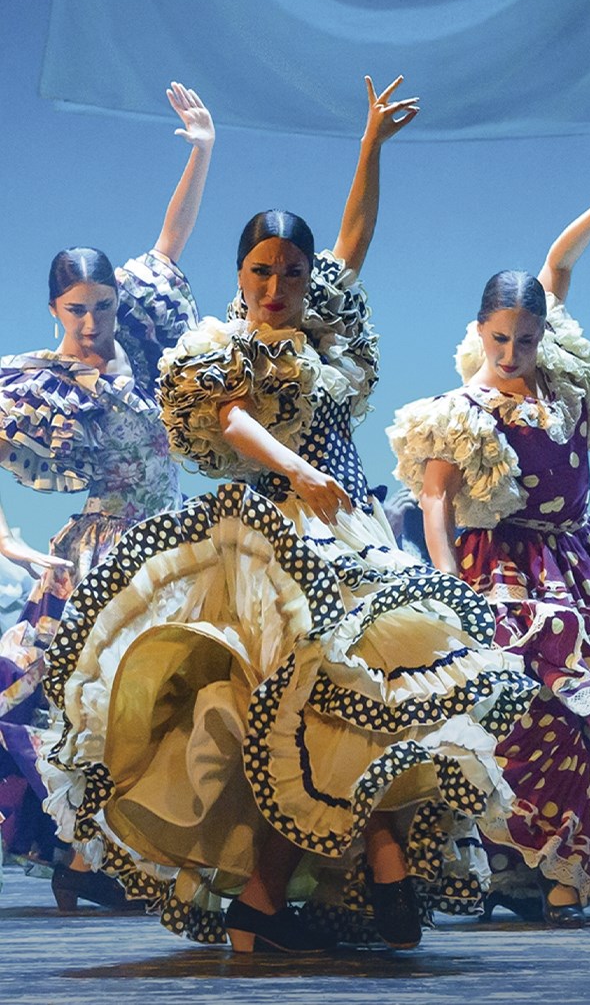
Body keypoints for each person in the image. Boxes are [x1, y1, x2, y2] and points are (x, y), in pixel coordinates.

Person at [42, 77, 535, 957]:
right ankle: (356, 869)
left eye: (292, 273)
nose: (277, 285)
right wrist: (296, 466)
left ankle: (278, 898)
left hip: (354, 539)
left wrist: (371, 148)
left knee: (356, 712)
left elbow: (355, 239)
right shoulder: (221, 349)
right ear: (240, 276)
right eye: (262, 271)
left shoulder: (322, 329)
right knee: (302, 715)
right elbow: (227, 417)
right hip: (274, 549)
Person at [389, 184, 590, 928]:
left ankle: (562, 869)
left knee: (584, 718)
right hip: (502, 570)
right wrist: (447, 583)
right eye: (499, 339)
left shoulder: (562, 381)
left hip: (571, 564)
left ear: (543, 335)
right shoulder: (459, 410)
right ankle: (514, 862)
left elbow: (556, 267)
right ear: (480, 331)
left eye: (525, 340)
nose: (511, 354)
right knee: (523, 713)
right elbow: (436, 500)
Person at [0, 82, 214, 900]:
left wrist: (200, 150)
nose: (94, 323)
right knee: (86, 701)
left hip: (174, 538)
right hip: (100, 549)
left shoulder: (147, 342)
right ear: (56, 309)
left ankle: (138, 853)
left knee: (173, 704)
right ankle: (81, 853)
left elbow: (170, 240)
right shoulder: (38, 387)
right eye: (79, 310)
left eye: (105, 307)